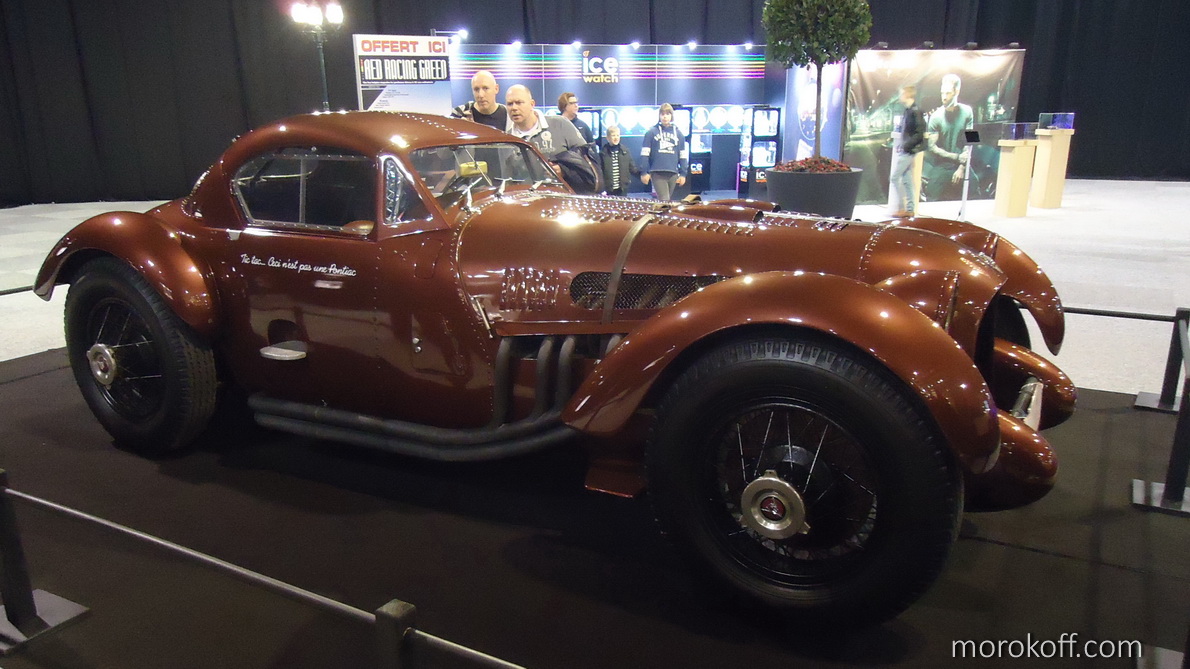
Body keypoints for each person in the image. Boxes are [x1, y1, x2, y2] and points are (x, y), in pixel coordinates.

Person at [922, 73, 974, 202]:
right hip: (943, 165)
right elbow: (932, 147)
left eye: (948, 93)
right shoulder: (936, 117)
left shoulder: (967, 111)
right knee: (932, 195)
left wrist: (962, 167)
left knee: (975, 190)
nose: (944, 97)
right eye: (942, 93)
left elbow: (970, 141)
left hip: (962, 163)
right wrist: (956, 157)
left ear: (957, 92)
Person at [889, 85, 926, 216]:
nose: (899, 97)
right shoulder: (909, 111)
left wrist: (906, 146)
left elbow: (919, 134)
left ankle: (901, 208)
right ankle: (909, 209)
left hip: (909, 151)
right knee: (907, 180)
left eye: (901, 94)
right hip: (908, 149)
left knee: (894, 178)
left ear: (907, 95)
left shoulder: (915, 111)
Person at [640, 103, 687, 200]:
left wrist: (683, 174)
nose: (665, 117)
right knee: (664, 200)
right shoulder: (651, 133)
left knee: (666, 202)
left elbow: (682, 156)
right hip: (657, 172)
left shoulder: (679, 134)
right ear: (659, 116)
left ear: (671, 116)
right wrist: (644, 172)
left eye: (667, 114)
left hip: (673, 173)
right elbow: (644, 155)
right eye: (662, 114)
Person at [598, 125, 641, 196]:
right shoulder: (603, 153)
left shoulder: (625, 151)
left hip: (622, 189)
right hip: (608, 189)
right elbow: (600, 171)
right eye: (613, 135)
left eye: (618, 135)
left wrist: (642, 175)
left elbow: (632, 168)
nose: (616, 138)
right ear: (608, 138)